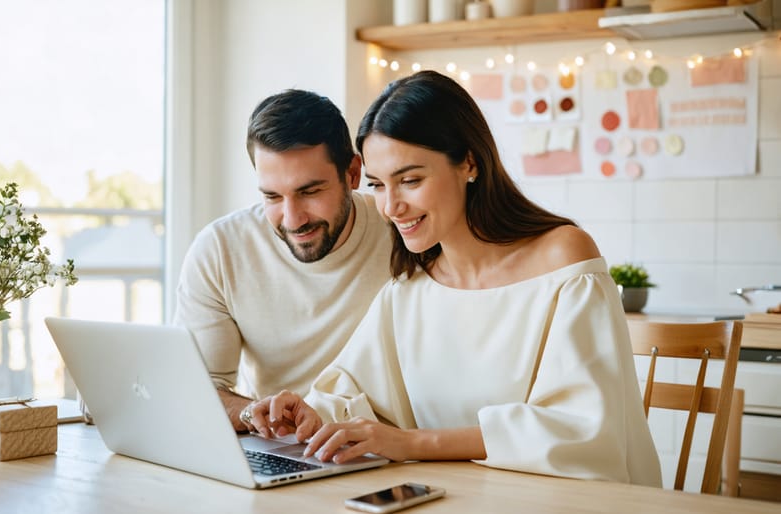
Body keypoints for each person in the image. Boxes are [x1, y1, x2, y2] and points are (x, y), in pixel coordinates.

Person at [243, 71, 662, 487]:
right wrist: (309, 415)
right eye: (377, 185)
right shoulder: (409, 290)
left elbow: (581, 432)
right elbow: (353, 393)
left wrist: (413, 443)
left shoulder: (564, 260)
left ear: (470, 163)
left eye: (410, 180)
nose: (391, 207)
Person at [174, 89, 392, 431]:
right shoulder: (220, 249)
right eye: (272, 196)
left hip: (381, 446)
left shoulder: (402, 235)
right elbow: (199, 388)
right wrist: (255, 414)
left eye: (309, 192)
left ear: (352, 174)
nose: (293, 219)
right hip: (278, 448)